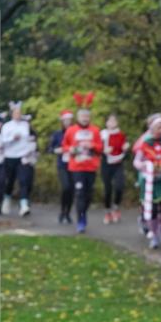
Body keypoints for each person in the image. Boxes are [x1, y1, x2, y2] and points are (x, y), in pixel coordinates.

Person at [134, 113, 161, 249]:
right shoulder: (145, 142)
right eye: (158, 127)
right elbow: (136, 160)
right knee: (152, 210)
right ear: (151, 128)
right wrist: (142, 165)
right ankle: (154, 235)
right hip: (150, 181)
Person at [62, 92, 103, 233]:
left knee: (88, 195)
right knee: (79, 193)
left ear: (89, 117)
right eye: (82, 116)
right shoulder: (71, 131)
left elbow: (100, 148)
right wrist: (72, 149)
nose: (85, 119)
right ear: (78, 117)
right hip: (76, 167)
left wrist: (91, 146)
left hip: (91, 167)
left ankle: (83, 213)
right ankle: (81, 219)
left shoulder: (95, 130)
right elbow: (64, 146)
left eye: (87, 116)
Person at [1, 101, 37, 217]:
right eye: (16, 113)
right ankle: (7, 199)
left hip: (22, 157)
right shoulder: (7, 126)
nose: (18, 115)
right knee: (10, 182)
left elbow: (31, 138)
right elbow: (3, 141)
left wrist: (30, 151)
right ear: (12, 114)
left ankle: (24, 205)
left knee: (24, 181)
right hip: (10, 157)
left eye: (19, 113)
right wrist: (13, 138)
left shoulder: (25, 125)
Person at [100, 114, 127, 225]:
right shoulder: (102, 134)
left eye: (114, 121)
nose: (112, 123)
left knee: (120, 186)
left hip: (118, 163)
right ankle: (107, 212)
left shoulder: (121, 135)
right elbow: (96, 148)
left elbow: (123, 149)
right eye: (110, 121)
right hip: (106, 164)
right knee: (108, 189)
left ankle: (115, 207)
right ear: (106, 123)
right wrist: (103, 150)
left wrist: (126, 148)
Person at [49, 109, 75, 223]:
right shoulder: (57, 134)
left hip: (74, 164)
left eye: (69, 120)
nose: (67, 122)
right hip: (62, 165)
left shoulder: (76, 133)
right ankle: (62, 211)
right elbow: (50, 148)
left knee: (72, 190)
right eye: (65, 120)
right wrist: (57, 150)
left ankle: (67, 212)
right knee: (66, 187)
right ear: (62, 121)